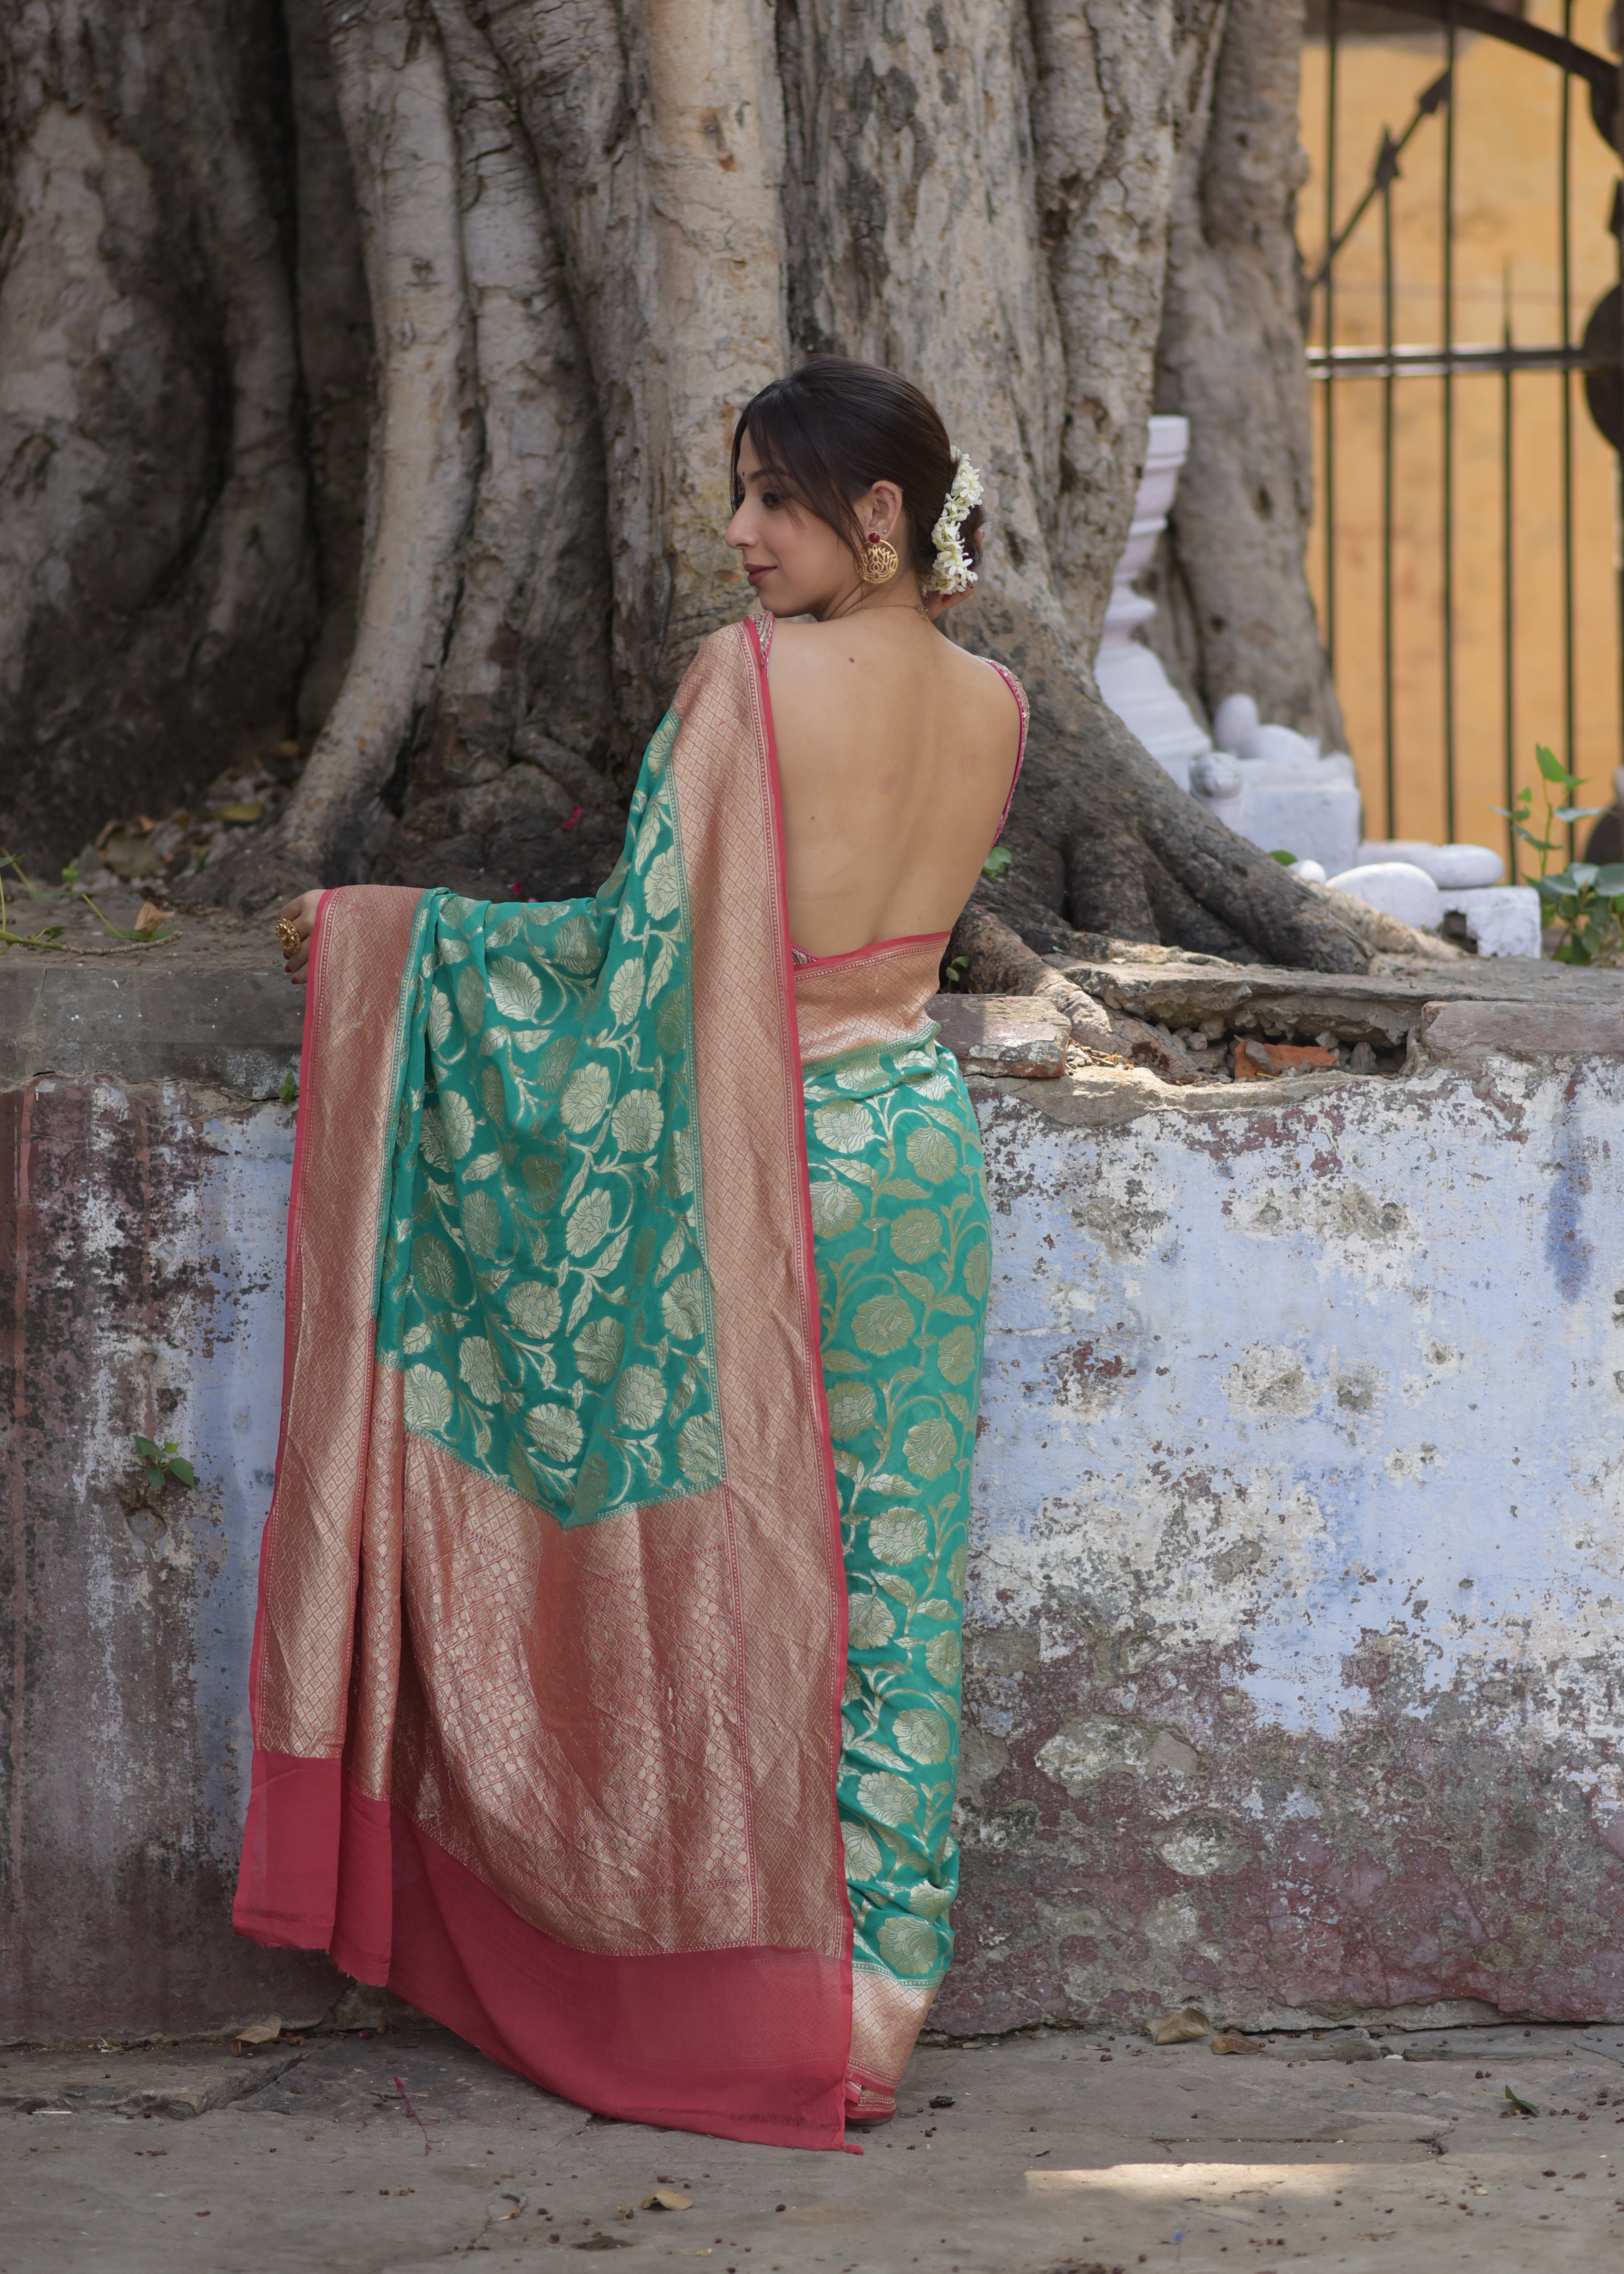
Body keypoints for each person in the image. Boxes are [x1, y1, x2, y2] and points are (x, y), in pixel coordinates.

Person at [235, 357, 1027, 2149]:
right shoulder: (997, 703)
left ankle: (740, 1997)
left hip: (766, 1178)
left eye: (773, 500)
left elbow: (629, 962)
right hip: (917, 1162)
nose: (739, 535)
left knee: (738, 1583)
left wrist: (388, 941)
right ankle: (878, 2005)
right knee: (899, 1585)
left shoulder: (747, 681)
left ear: (881, 515)